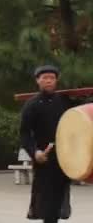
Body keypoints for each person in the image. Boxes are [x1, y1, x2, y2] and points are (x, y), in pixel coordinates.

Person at [20, 65, 76, 223]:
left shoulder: (65, 101)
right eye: (45, 78)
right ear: (38, 80)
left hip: (64, 156)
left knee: (59, 196)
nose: (49, 81)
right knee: (47, 200)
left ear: (56, 80)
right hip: (45, 158)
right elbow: (24, 134)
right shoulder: (31, 104)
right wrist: (35, 152)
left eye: (52, 78)